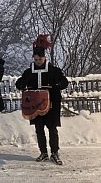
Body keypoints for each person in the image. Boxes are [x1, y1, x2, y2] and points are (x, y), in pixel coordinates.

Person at [15, 34, 69, 165]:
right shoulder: (29, 72)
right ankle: (43, 152)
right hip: (35, 106)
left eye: (40, 59)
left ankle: (55, 153)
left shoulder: (54, 70)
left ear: (44, 58)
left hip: (51, 105)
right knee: (39, 129)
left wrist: (57, 85)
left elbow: (64, 82)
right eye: (36, 59)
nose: (38, 61)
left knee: (52, 128)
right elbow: (19, 83)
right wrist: (22, 84)